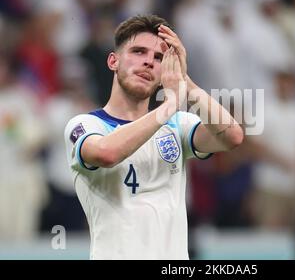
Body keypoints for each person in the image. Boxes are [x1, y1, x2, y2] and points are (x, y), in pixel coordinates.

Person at [64, 14, 244, 259]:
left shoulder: (177, 126)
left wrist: (186, 83)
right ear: (113, 61)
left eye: (159, 57)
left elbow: (232, 136)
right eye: (138, 52)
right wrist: (168, 106)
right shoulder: (85, 125)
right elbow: (107, 153)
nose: (149, 62)